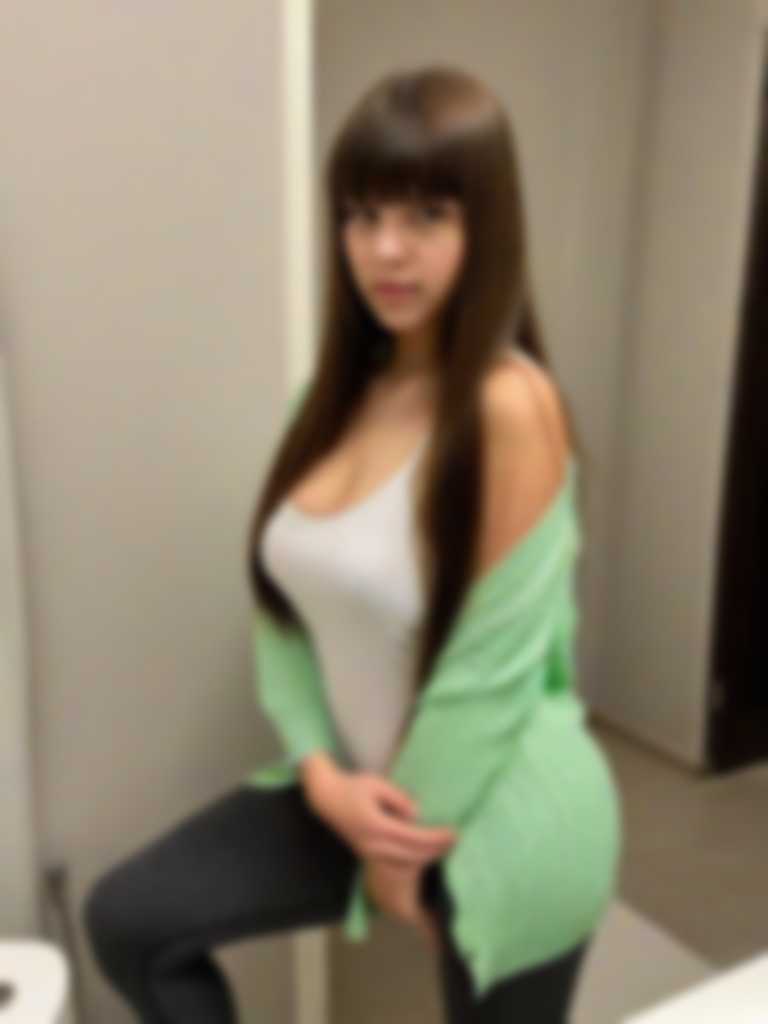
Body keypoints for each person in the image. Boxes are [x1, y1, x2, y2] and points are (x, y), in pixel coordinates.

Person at [83, 64, 620, 1022]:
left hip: (509, 809)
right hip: (358, 794)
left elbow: (488, 671)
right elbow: (282, 610)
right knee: (130, 919)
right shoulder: (332, 399)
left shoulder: (510, 404)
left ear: (487, 226)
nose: (385, 249)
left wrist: (393, 856)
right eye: (362, 215)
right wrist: (321, 775)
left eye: (426, 215)